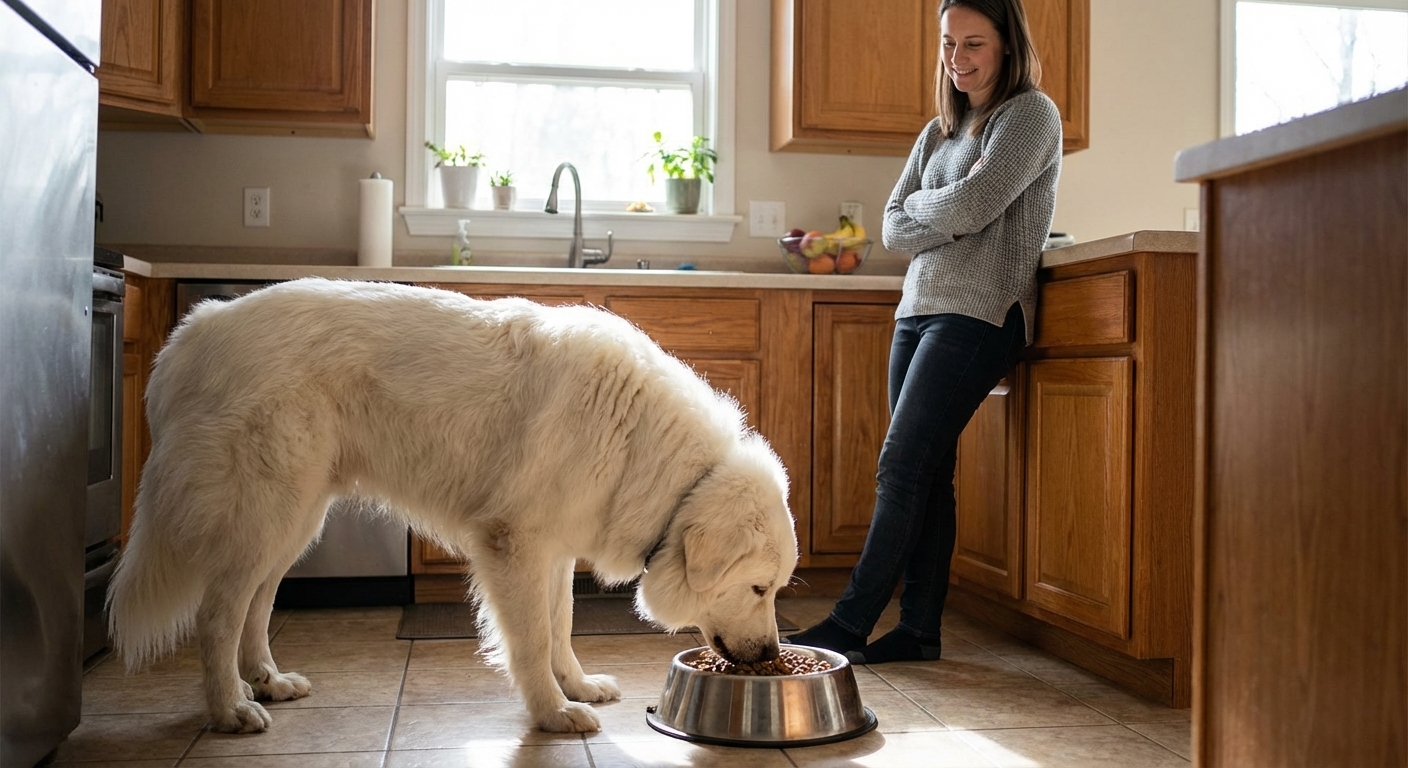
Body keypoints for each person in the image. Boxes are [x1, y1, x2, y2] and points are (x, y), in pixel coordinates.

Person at [784, 0, 1062, 665]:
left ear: (1006, 46)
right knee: (928, 474)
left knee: (900, 466)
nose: (958, 59)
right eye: (947, 44)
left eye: (974, 44)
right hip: (917, 308)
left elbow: (973, 205)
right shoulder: (939, 131)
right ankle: (918, 631)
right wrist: (939, 210)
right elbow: (891, 227)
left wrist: (931, 207)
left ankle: (849, 624)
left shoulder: (1029, 115)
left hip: (984, 310)